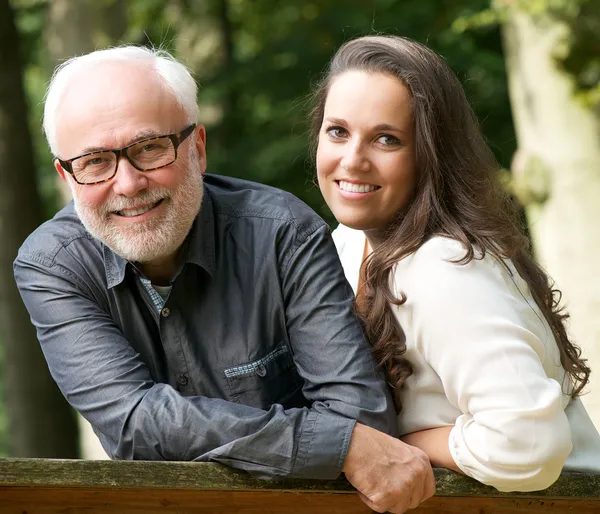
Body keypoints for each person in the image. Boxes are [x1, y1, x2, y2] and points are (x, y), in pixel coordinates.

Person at [13, 46, 435, 514]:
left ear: (197, 148)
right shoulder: (52, 265)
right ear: (68, 177)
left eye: (150, 148)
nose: (128, 184)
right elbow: (133, 421)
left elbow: (362, 420)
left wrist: (342, 442)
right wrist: (337, 446)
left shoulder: (283, 234)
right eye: (94, 162)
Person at [312, 34, 600, 493]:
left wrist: (402, 444)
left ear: (430, 154)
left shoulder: (444, 267)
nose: (353, 159)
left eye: (387, 139)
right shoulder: (347, 245)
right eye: (338, 131)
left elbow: (530, 444)